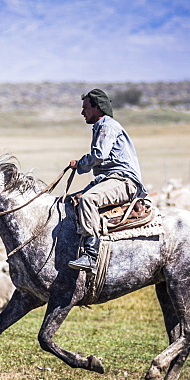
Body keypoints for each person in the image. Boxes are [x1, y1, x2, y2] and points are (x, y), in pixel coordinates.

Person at [67, 88, 147, 272]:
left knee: (88, 200)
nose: (82, 112)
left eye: (85, 107)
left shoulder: (107, 126)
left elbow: (99, 155)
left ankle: (91, 256)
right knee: (72, 201)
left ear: (98, 108)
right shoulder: (100, 127)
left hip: (123, 180)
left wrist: (80, 164)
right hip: (109, 179)